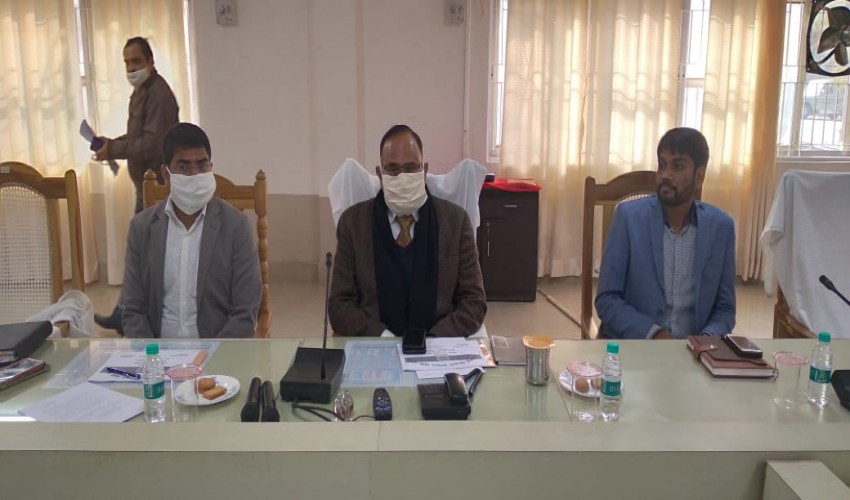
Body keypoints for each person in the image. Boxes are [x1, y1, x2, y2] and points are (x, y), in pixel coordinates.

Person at [329, 125, 487, 337]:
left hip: (438, 343)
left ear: (424, 170)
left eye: (411, 168)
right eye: (393, 169)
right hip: (376, 342)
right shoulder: (352, 223)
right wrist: (381, 337)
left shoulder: (456, 222)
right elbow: (339, 305)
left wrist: (435, 339)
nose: (402, 177)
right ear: (380, 174)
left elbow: (474, 301)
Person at [121, 123, 262, 338]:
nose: (194, 174)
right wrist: (152, 354)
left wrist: (213, 354)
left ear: (211, 167)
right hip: (157, 352)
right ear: (166, 174)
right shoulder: (142, 228)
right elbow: (133, 310)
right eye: (184, 166)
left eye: (202, 165)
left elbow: (245, 312)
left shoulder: (236, 226)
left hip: (218, 351)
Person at [595, 127, 736, 339]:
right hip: (636, 344)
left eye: (677, 166)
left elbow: (725, 309)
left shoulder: (721, 228)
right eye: (662, 165)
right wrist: (656, 335)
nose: (665, 175)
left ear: (699, 176)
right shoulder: (628, 218)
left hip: (693, 351)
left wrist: (706, 339)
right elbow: (607, 299)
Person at [94, 36, 179, 333]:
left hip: (157, 188)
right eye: (126, 62)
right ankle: (125, 312)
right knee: (140, 253)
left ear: (150, 61)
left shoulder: (159, 94)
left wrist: (114, 149)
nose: (131, 68)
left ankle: (127, 314)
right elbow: (136, 137)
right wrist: (110, 145)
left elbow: (151, 144)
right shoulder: (142, 91)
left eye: (136, 61)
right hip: (144, 185)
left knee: (141, 253)